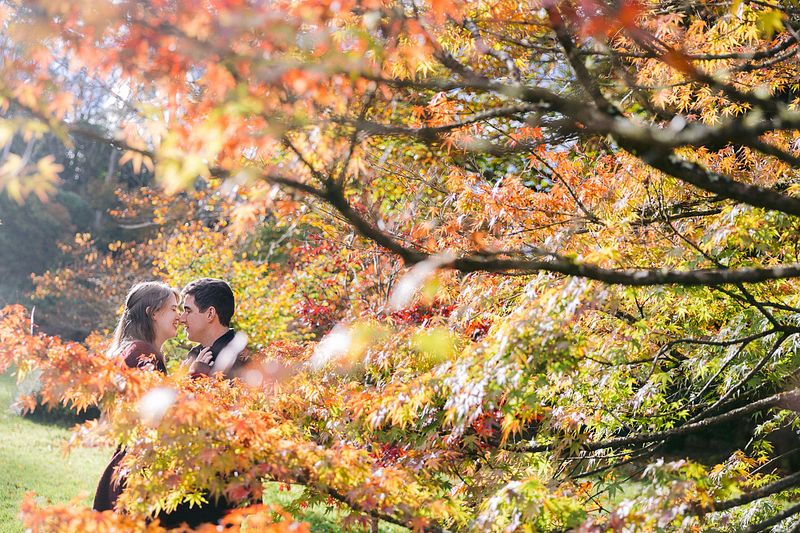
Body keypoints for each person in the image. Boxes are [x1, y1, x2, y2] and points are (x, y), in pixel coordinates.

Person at [93, 281, 181, 512]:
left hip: (130, 463)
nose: (179, 316)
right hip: (138, 468)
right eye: (173, 309)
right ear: (153, 313)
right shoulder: (143, 354)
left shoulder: (133, 350)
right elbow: (155, 418)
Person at [179, 278, 248, 379]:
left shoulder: (240, 360)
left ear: (210, 314)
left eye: (188, 311)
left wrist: (197, 378)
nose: (182, 319)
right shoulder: (194, 355)